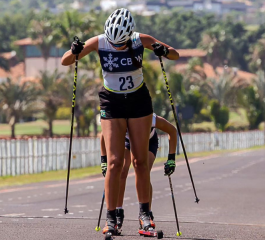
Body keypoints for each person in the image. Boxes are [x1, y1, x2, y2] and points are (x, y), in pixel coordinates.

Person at [61, 8, 179, 236]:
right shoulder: (99, 42)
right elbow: (66, 61)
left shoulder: (140, 40)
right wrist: (73, 51)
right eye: (113, 44)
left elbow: (175, 55)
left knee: (140, 162)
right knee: (114, 163)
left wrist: (163, 50)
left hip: (138, 102)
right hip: (112, 102)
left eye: (120, 44)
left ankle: (146, 216)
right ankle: (112, 217)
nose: (116, 47)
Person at [100, 113, 177, 232]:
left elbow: (172, 130)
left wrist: (171, 158)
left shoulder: (150, 118)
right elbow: (104, 135)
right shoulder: (120, 118)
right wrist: (104, 160)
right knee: (121, 171)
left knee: (143, 171)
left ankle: (147, 214)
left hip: (148, 142)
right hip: (126, 141)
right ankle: (117, 212)